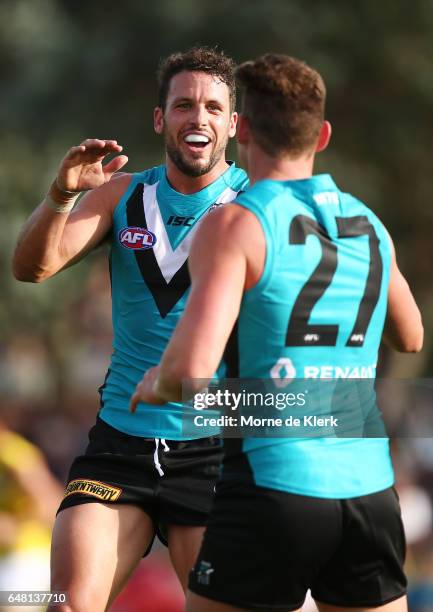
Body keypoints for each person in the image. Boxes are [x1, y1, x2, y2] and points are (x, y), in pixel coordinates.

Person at [131, 54, 424, 612]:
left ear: (240, 129)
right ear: (324, 134)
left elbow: (187, 372)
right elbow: (411, 337)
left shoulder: (238, 221)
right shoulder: (367, 222)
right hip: (370, 493)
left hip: (274, 487)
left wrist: (155, 385)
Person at [12, 47, 248, 611]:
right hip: (120, 445)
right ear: (160, 119)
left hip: (215, 450)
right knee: (66, 604)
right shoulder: (124, 195)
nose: (200, 118)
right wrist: (63, 195)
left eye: (214, 108)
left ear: (233, 125)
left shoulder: (256, 205)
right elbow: (30, 268)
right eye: (185, 105)